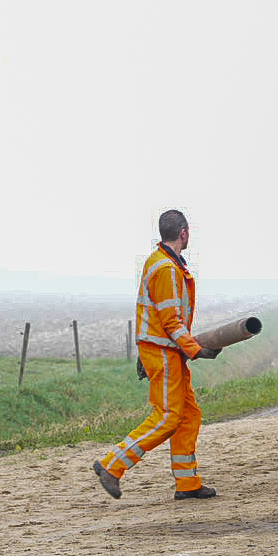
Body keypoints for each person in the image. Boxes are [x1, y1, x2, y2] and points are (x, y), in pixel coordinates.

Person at [94, 209, 220, 500]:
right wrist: (197, 350)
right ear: (184, 233)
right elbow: (170, 321)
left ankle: (187, 484)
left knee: (189, 415)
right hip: (163, 352)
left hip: (164, 351)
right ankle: (111, 466)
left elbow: (154, 317)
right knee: (168, 417)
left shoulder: (164, 263)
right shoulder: (165, 268)